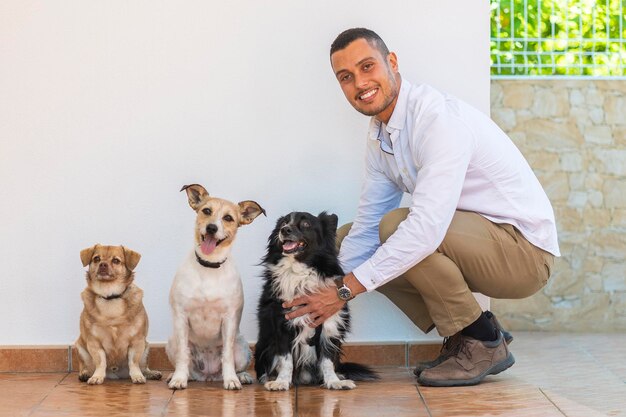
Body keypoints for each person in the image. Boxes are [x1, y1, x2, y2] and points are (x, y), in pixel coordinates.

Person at [283, 28, 559, 387]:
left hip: (524, 253)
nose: (360, 83)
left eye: (368, 67)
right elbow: (366, 228)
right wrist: (320, 290)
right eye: (346, 77)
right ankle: (473, 333)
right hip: (481, 241)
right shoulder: (380, 135)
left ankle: (482, 343)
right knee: (346, 239)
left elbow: (426, 229)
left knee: (400, 228)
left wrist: (344, 291)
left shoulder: (437, 120)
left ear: (392, 63)